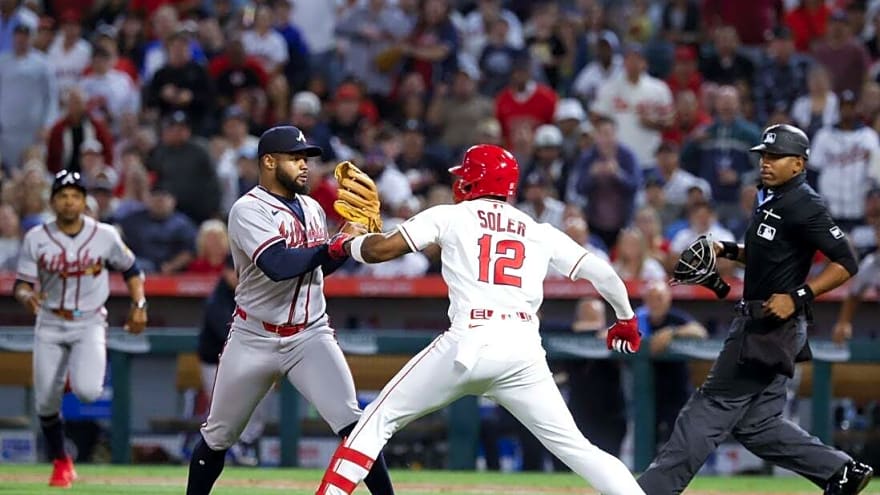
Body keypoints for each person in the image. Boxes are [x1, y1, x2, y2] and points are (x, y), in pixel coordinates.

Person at [315, 144, 645, 495]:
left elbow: (380, 251)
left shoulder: (452, 215)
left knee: (376, 421)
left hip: (470, 339)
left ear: (474, 180)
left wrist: (345, 244)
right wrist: (625, 319)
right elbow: (605, 275)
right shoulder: (537, 229)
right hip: (523, 350)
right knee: (579, 449)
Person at [638, 124, 874, 495]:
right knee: (758, 427)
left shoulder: (804, 203)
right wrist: (728, 250)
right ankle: (842, 472)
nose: (765, 162)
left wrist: (798, 295)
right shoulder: (770, 196)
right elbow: (768, 257)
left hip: (769, 325)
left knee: (707, 408)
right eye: (763, 155)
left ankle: (650, 491)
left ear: (798, 164)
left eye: (775, 156)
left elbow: (847, 261)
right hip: (767, 323)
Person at [185, 126, 395, 495]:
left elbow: (317, 267)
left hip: (310, 334)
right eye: (295, 158)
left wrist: (345, 246)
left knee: (355, 427)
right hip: (254, 337)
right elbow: (278, 264)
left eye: (306, 159)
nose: (305, 166)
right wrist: (336, 246)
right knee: (218, 436)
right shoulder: (247, 209)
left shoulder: (313, 207)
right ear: (268, 162)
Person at [12, 170, 147, 488]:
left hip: (88, 321)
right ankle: (61, 461)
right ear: (53, 201)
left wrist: (139, 305)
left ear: (84, 201)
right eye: (63, 195)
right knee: (45, 399)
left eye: (75, 195)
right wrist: (25, 295)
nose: (69, 201)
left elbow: (132, 269)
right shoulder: (37, 236)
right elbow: (21, 284)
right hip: (50, 320)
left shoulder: (105, 234)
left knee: (88, 391)